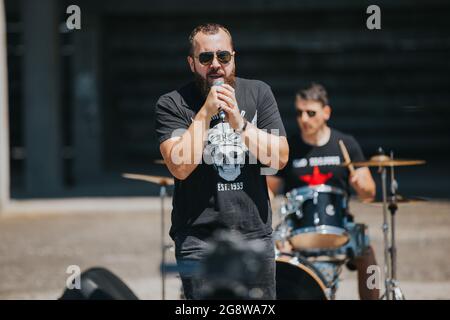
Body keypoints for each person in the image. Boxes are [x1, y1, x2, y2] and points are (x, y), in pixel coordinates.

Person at [155, 23, 289, 299]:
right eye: (206, 58)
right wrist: (205, 113)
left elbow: (279, 158)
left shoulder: (258, 93)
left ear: (233, 57)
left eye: (223, 56)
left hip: (254, 236)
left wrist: (240, 124)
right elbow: (179, 167)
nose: (215, 64)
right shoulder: (172, 104)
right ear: (192, 63)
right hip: (199, 239)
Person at [267, 83, 379, 300]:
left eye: (311, 113)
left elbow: (369, 194)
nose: (304, 119)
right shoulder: (287, 147)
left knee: (366, 250)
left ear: (326, 113)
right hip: (295, 231)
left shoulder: (345, 144)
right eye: (299, 113)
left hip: (340, 226)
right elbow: (268, 190)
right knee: (274, 256)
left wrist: (361, 185)